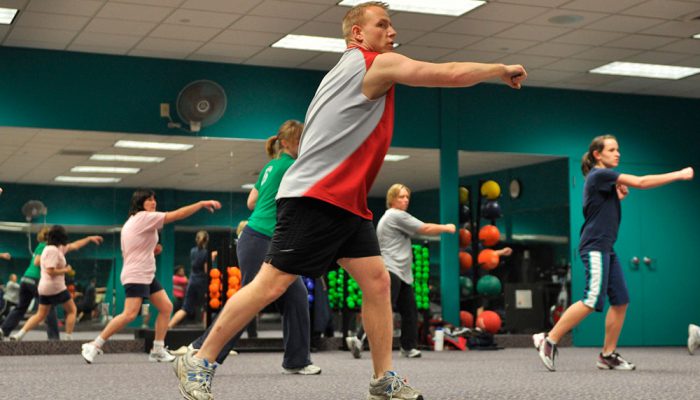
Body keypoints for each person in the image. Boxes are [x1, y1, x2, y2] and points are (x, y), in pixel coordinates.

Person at [173, 3, 526, 399]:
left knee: (377, 282)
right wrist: (498, 69)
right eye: (382, 25)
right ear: (357, 33)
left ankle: (382, 378)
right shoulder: (372, 64)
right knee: (271, 284)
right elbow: (447, 73)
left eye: (391, 25)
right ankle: (199, 359)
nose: (392, 32)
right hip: (315, 197)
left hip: (347, 204)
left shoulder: (345, 70)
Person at [533, 135, 694, 371]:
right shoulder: (599, 174)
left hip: (607, 248)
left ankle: (607, 355)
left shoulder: (602, 179)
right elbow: (641, 182)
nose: (617, 153)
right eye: (611, 150)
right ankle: (548, 340)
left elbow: (600, 206)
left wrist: (617, 196)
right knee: (591, 299)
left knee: (620, 301)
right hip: (595, 246)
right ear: (597, 154)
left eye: (618, 149)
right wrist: (679, 174)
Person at [185, 120, 321, 375]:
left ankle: (297, 360)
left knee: (297, 296)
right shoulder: (292, 166)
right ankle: (201, 349)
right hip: (261, 238)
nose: (305, 144)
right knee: (250, 300)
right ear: (286, 143)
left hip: (264, 238)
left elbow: (251, 202)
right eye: (300, 139)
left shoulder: (271, 166)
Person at [80, 189, 221, 364]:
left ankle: (157, 350)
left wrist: (152, 250)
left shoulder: (133, 221)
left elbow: (132, 249)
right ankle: (94, 345)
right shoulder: (144, 217)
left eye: (154, 199)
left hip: (145, 273)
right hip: (137, 274)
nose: (153, 202)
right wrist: (200, 204)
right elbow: (176, 215)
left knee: (166, 307)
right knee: (130, 314)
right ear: (140, 204)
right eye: (148, 200)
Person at [346, 184, 455, 360]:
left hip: (402, 273)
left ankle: (408, 347)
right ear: (392, 199)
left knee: (410, 310)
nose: (405, 200)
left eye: (407, 197)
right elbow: (424, 228)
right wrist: (447, 228)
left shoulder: (390, 217)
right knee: (382, 309)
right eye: (401, 197)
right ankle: (358, 339)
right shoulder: (396, 215)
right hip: (391, 270)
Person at [9, 225, 103, 341]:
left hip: (44, 288)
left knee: (41, 315)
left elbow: (75, 245)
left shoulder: (57, 248)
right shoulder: (52, 250)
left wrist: (89, 239)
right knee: (72, 310)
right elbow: (50, 271)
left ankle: (19, 335)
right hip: (56, 288)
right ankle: (68, 338)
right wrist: (66, 270)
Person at [2, 227, 60, 340]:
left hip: (25, 279)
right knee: (49, 307)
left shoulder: (41, 245)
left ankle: (3, 330)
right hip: (35, 280)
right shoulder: (46, 246)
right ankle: (54, 339)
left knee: (21, 307)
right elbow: (37, 261)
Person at [169, 231, 210, 328]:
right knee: (207, 307)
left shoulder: (193, 251)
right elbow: (206, 270)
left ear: (196, 239)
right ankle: (207, 331)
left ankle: (169, 326)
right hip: (202, 283)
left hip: (192, 281)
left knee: (185, 308)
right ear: (207, 240)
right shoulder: (206, 253)